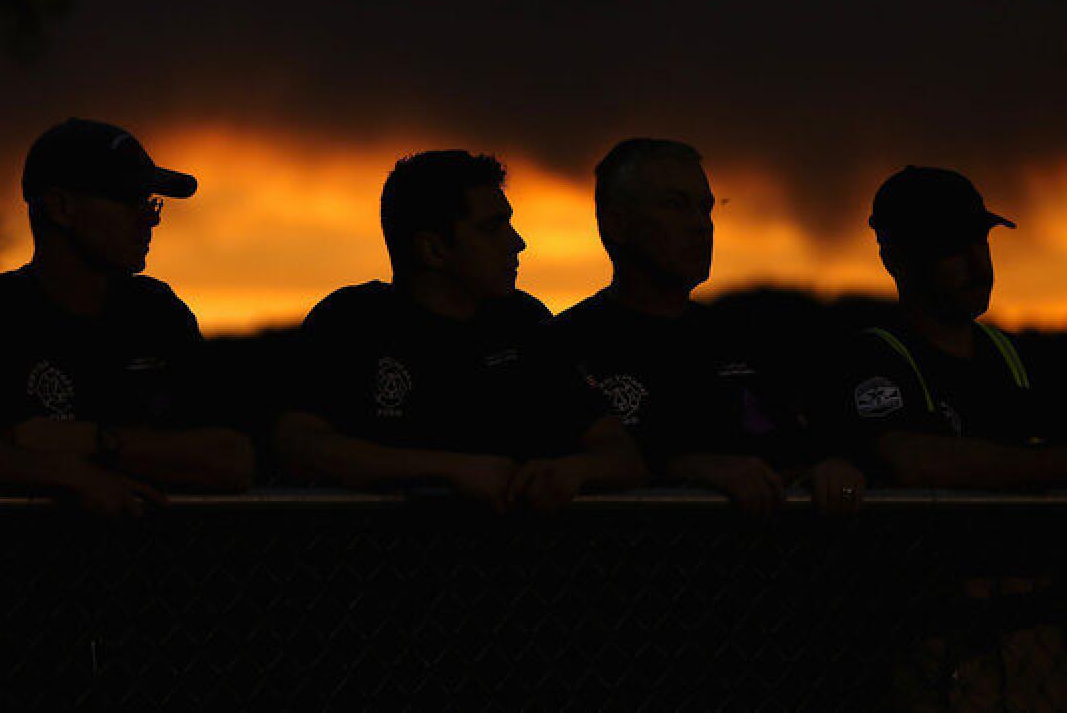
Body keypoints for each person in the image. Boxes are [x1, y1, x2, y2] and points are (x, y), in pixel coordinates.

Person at [0, 118, 254, 513]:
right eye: (129, 200)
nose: (150, 218)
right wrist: (64, 474)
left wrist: (95, 443)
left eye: (151, 202)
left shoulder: (158, 313)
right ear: (60, 208)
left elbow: (233, 459)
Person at [271, 150, 647, 512]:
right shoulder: (353, 322)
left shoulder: (525, 324)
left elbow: (621, 455)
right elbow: (295, 444)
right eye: (492, 228)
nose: (517, 243)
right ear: (434, 249)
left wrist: (572, 472)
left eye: (510, 224)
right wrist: (452, 471)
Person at [549, 138, 865, 513]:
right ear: (616, 224)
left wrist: (830, 470)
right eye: (675, 206)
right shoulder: (565, 345)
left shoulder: (749, 338)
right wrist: (688, 471)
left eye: (705, 209)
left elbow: (800, 446)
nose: (700, 226)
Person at [827, 165, 1063, 487]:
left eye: (981, 241)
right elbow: (909, 460)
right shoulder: (868, 358)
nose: (978, 265)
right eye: (951, 247)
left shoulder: (1023, 357)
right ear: (894, 259)